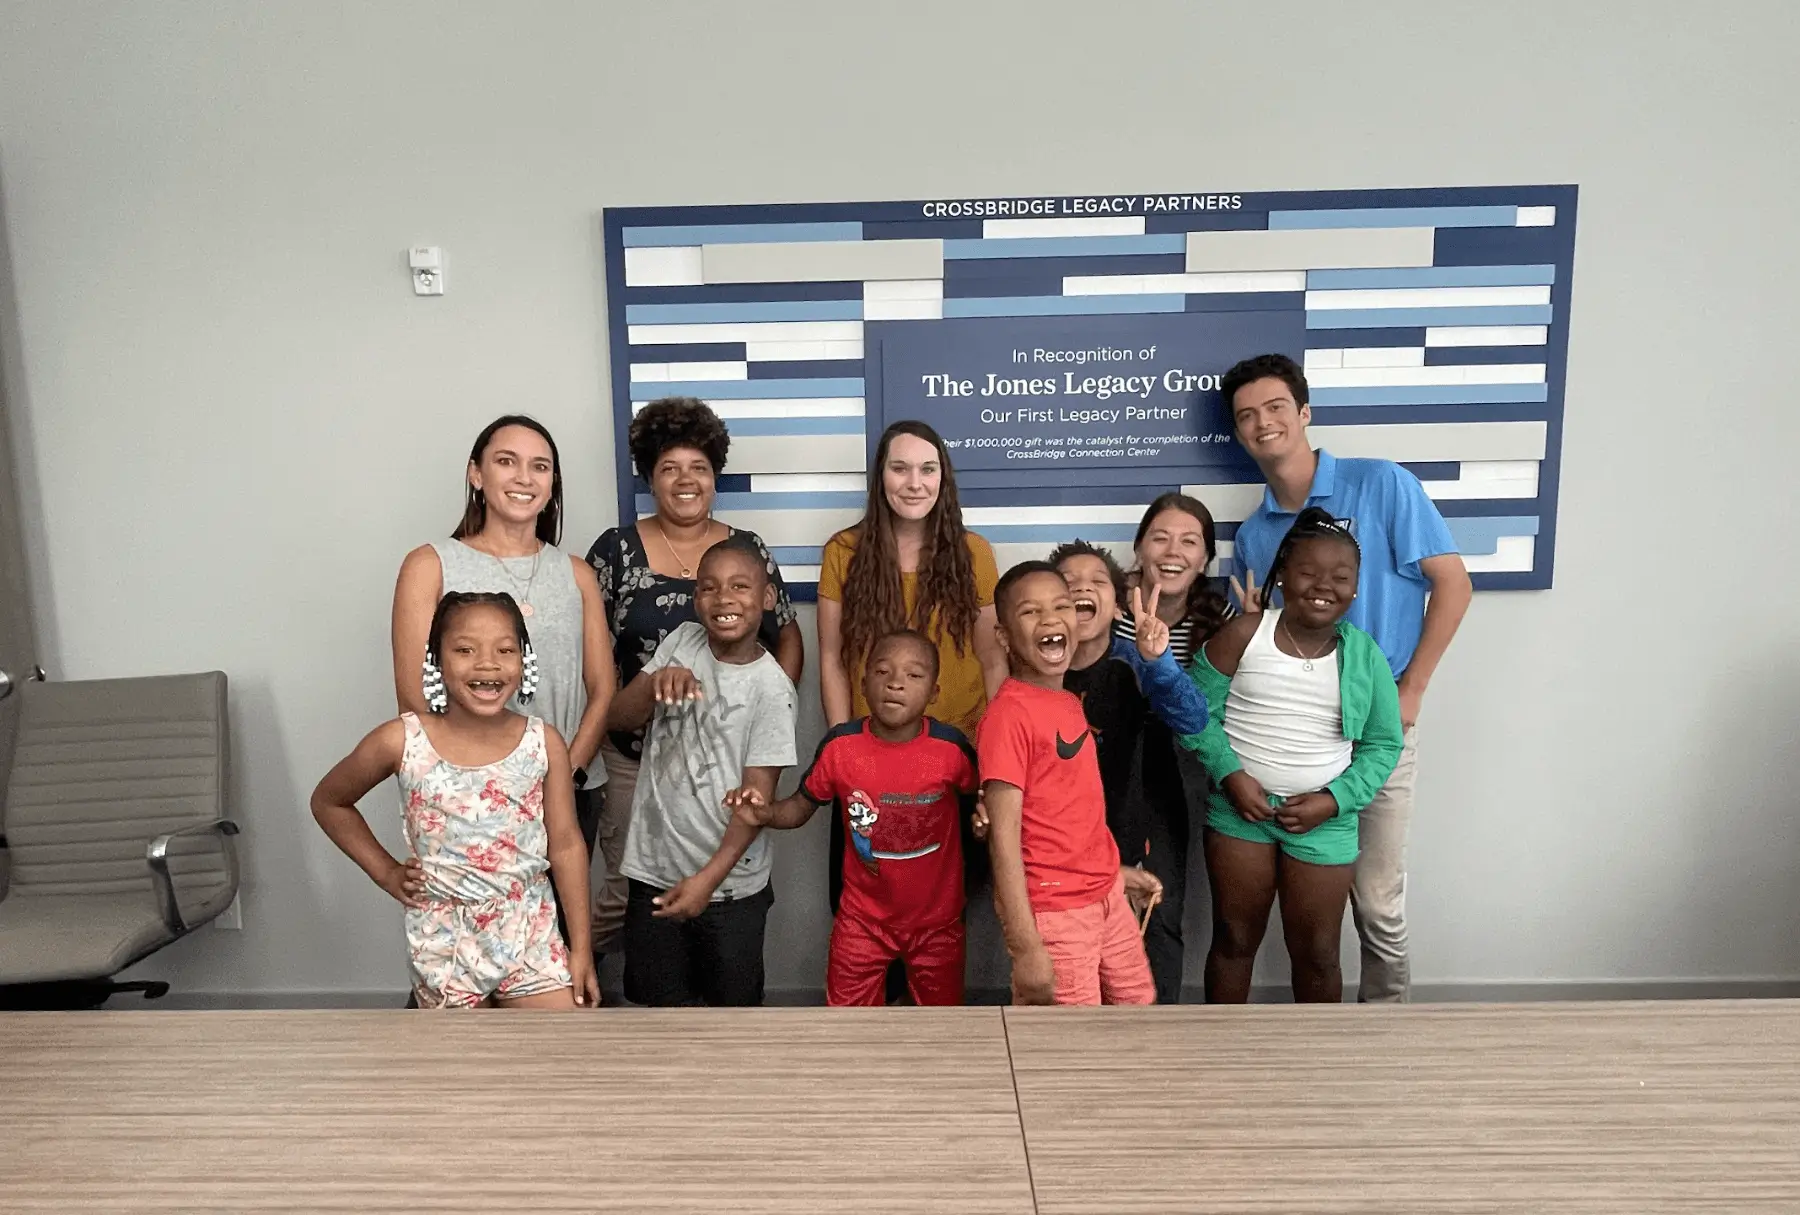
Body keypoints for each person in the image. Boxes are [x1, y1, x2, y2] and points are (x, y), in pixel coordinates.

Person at [1223, 353, 1473, 1003]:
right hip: (1293, 736)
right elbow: (1251, 640)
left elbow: (1453, 583)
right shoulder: (1254, 536)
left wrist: (1412, 687)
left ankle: (1385, 1036)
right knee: (1300, 904)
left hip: (1380, 724)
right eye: (1246, 415)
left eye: (1276, 407)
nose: (1263, 423)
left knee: (1378, 900)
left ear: (1304, 413)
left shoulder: (1382, 483)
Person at [389, 415, 612, 990]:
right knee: (459, 957)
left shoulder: (577, 574)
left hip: (564, 785)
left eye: (540, 466)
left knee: (557, 958)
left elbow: (602, 687)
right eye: (506, 461)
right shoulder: (431, 563)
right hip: (467, 797)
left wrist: (566, 769)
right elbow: (415, 693)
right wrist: (484, 777)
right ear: (476, 474)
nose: (524, 477)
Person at [585, 396, 802, 972]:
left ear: (715, 476)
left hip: (731, 755)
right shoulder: (615, 551)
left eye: (699, 468)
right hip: (639, 759)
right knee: (631, 893)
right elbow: (593, 657)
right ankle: (579, 983)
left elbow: (787, 635)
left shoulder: (746, 548)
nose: (685, 480)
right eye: (669, 468)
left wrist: (762, 706)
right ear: (648, 478)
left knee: (717, 899)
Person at [313, 592, 599, 1010]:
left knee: (554, 1060)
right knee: (463, 1070)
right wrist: (387, 872)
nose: (487, 663)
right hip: (444, 940)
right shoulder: (402, 740)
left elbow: (567, 843)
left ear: (525, 660)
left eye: (505, 650)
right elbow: (329, 801)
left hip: (530, 929)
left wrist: (582, 949)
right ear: (437, 661)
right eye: (465, 650)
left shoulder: (544, 742)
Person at [1182, 509, 1403, 1003]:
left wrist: (1335, 799)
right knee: (1235, 939)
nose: (1323, 586)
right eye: (1307, 572)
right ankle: (1225, 1061)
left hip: (1326, 821)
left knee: (1319, 953)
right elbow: (1195, 713)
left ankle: (1315, 1070)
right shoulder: (1246, 634)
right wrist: (1230, 775)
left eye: (1341, 577)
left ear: (1356, 588)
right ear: (1282, 575)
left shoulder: (1365, 655)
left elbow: (1384, 744)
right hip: (1240, 815)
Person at [817, 419, 1005, 999]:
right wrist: (845, 748)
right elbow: (829, 658)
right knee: (861, 908)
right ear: (880, 477)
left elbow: (994, 661)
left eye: (928, 469)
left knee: (940, 920)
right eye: (900, 468)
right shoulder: (844, 552)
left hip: (953, 766)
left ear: (943, 478)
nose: (914, 482)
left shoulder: (973, 554)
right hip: (868, 769)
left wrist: (996, 759)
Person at [728, 630, 979, 1006]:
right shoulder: (840, 747)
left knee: (941, 1026)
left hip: (938, 923)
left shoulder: (952, 749)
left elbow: (984, 805)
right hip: (862, 922)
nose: (895, 683)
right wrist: (765, 813)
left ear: (934, 693)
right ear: (863, 684)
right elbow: (799, 807)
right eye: (883, 672)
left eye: (913, 675)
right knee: (847, 1025)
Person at [604, 535, 798, 1006]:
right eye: (709, 588)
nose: (724, 598)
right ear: (695, 600)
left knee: (730, 1021)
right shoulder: (681, 642)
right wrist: (652, 686)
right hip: (654, 872)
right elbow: (618, 719)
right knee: (657, 1011)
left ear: (767, 598)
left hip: (729, 892)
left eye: (739, 586)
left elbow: (756, 802)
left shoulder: (773, 690)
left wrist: (706, 882)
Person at [977, 561, 1162, 1006]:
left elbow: (1064, 815)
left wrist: (1112, 875)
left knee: (1137, 1011)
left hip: (1105, 900)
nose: (1050, 618)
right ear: (1003, 636)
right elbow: (1003, 839)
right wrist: (1026, 946)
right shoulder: (1008, 716)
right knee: (1065, 1052)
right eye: (1030, 612)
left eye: (1061, 606)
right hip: (1054, 915)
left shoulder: (1065, 701)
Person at [1050, 540, 1210, 1002]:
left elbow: (1194, 720)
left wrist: (1159, 662)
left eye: (1097, 581)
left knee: (1154, 935)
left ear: (1117, 603)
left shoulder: (1137, 659)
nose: (1083, 588)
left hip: (1147, 823)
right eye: (1068, 583)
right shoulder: (1037, 670)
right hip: (1066, 838)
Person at [1100, 494, 1235, 1003]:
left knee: (1160, 905)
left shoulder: (1220, 615)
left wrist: (1256, 629)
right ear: (1138, 549)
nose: (1172, 551)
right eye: (1160, 537)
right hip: (1100, 763)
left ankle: (1159, 1030)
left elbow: (1204, 715)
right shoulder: (1109, 606)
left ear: (1204, 560)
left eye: (1189, 541)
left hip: (1175, 773)